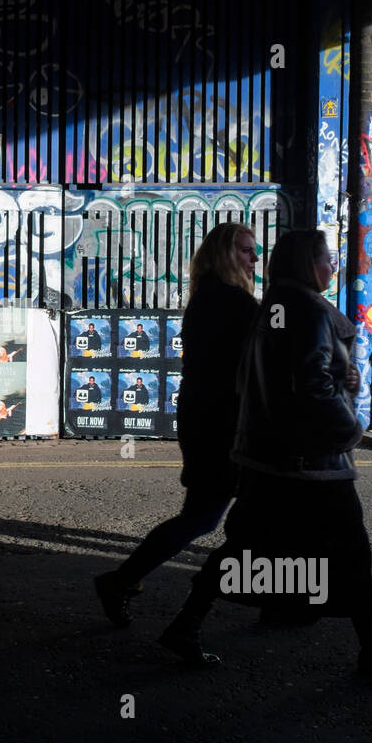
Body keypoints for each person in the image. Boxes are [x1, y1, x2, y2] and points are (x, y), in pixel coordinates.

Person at [158, 230, 372, 677]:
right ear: (308, 263)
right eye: (326, 259)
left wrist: (340, 376)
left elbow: (281, 375)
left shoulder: (275, 306)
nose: (331, 266)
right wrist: (350, 429)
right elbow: (310, 385)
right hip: (311, 461)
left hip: (268, 457)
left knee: (249, 543)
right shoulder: (306, 310)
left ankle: (187, 622)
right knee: (351, 549)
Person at [94, 222, 260, 626]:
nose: (255, 258)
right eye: (245, 250)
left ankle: (127, 582)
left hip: (205, 417)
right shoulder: (234, 302)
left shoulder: (207, 296)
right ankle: (138, 589)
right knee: (208, 516)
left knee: (223, 514)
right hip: (224, 423)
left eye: (254, 250)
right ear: (224, 255)